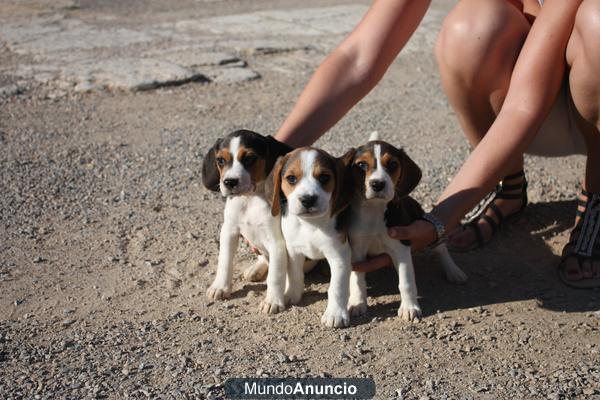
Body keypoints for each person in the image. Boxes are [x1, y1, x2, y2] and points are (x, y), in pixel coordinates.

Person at [273, 0, 600, 288]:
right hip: (537, 101)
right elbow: (358, 57)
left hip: (574, 95)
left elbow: (524, 105)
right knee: (472, 28)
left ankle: (596, 195)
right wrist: (270, 160)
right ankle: (509, 188)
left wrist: (439, 220)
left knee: (597, 22)